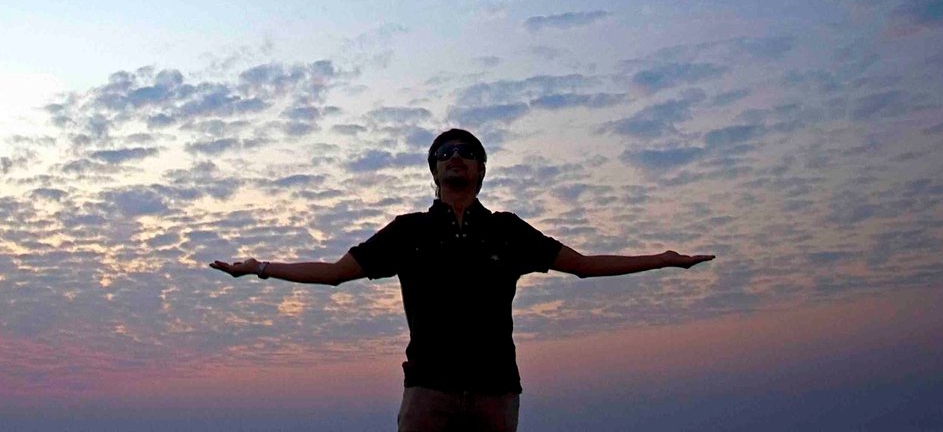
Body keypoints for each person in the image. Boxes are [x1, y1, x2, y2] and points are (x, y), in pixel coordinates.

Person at [210, 128, 714, 432]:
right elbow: (336, 274)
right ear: (434, 170)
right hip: (428, 389)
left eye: (466, 152)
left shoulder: (507, 230)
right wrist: (261, 268)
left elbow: (583, 265)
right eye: (445, 152)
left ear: (481, 169)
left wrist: (663, 259)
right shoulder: (409, 231)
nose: (456, 156)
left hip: (496, 391)